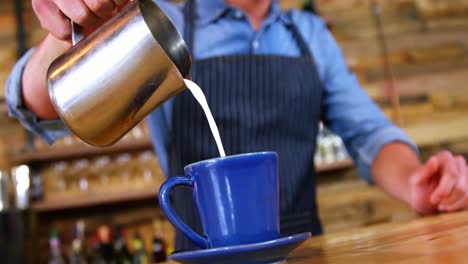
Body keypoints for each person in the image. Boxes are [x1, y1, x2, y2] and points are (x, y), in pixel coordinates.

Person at [6, 0, 468, 251]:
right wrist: (63, 30)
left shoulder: (307, 33)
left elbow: (369, 134)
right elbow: (37, 105)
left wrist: (414, 183)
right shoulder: (157, 20)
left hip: (303, 254)